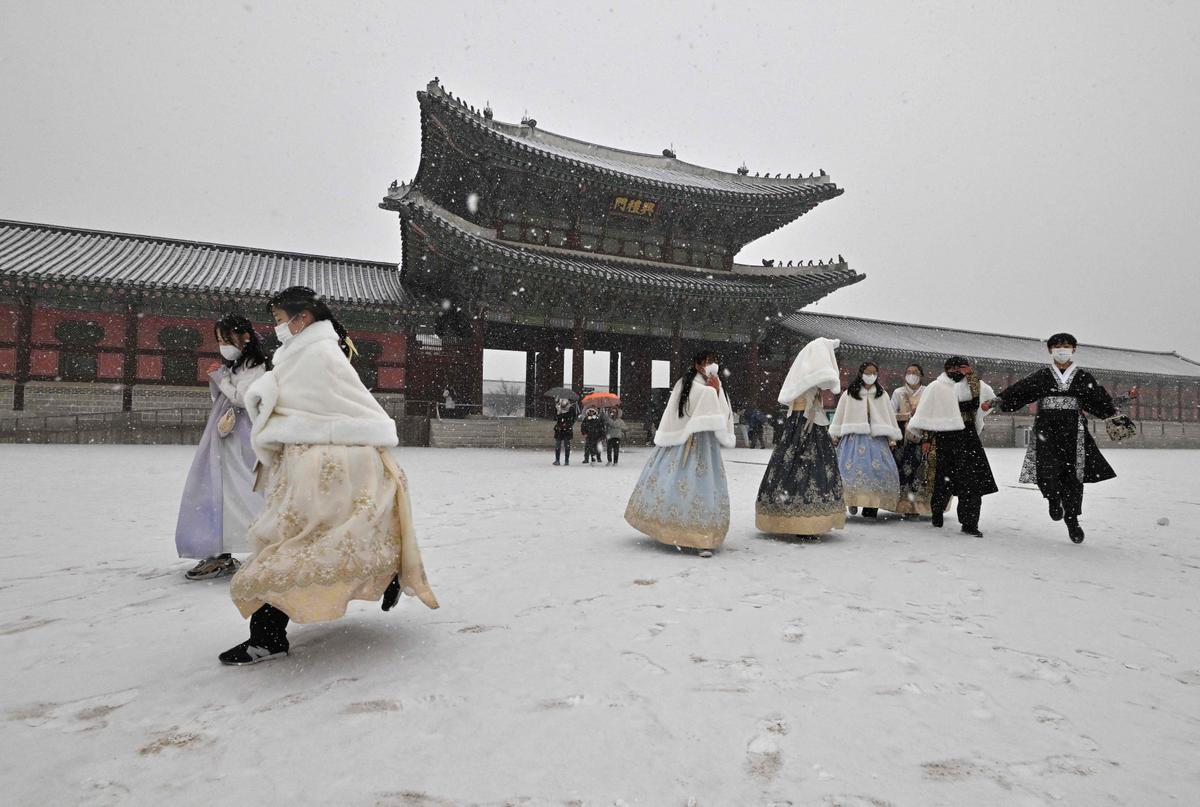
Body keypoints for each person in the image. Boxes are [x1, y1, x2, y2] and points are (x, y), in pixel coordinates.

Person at [221, 286, 438, 665]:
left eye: (279, 320)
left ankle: (268, 635)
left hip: (331, 465)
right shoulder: (302, 353)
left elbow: (315, 406)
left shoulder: (317, 354)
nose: (276, 328)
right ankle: (386, 577)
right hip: (318, 464)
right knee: (330, 540)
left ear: (301, 318)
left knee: (295, 545)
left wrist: (263, 397)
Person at [984, 333, 1122, 543]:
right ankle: (1052, 499)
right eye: (1057, 346)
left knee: (1073, 475)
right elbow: (1021, 390)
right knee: (1046, 469)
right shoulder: (1042, 376)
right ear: (1050, 350)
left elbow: (1098, 400)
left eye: (1066, 346)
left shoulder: (1083, 377)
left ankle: (1072, 519)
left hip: (1074, 431)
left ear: (1074, 349)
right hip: (1046, 429)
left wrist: (1115, 408)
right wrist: (1001, 399)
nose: (1062, 349)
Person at [175, 314, 270, 579]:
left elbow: (243, 399)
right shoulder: (236, 365)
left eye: (225, 339)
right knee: (220, 492)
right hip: (223, 437)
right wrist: (220, 378)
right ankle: (219, 550)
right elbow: (222, 397)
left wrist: (221, 378)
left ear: (245, 337)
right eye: (218, 339)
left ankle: (261, 544)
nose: (222, 344)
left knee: (240, 491)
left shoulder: (257, 367)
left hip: (240, 438)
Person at [625, 350, 735, 554]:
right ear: (697, 364)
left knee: (704, 484)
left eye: (715, 362)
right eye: (708, 362)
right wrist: (712, 392)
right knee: (677, 480)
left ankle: (703, 534)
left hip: (706, 443)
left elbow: (723, 411)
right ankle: (669, 527)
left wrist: (717, 391)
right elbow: (685, 408)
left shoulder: (713, 384)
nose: (712, 366)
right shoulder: (687, 383)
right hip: (684, 440)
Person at [755, 337, 846, 539]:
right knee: (811, 467)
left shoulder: (803, 374)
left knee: (790, 464)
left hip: (804, 419)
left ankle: (786, 516)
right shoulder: (811, 372)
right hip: (806, 420)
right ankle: (806, 520)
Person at [906, 356, 998, 537]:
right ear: (946, 369)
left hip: (968, 437)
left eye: (961, 368)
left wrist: (971, 377)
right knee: (943, 480)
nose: (957, 372)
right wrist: (926, 438)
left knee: (972, 482)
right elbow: (927, 415)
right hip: (945, 438)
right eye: (953, 369)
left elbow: (989, 402)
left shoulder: (976, 384)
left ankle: (969, 522)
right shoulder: (936, 387)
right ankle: (937, 510)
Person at [829, 362, 902, 518]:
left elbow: (888, 416)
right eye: (868, 372)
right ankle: (852, 500)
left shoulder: (881, 394)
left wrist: (892, 438)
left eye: (874, 372)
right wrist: (835, 434)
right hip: (853, 438)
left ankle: (871, 506)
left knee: (877, 471)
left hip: (876, 438)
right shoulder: (849, 393)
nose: (871, 376)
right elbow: (840, 414)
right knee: (851, 469)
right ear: (861, 373)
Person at [891, 363, 932, 519]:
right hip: (903, 437)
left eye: (914, 372)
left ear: (921, 375)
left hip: (923, 436)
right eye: (908, 372)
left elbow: (933, 412)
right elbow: (890, 413)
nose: (911, 375)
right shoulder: (898, 392)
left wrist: (920, 415)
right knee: (903, 470)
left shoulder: (928, 391)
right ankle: (905, 505)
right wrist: (907, 415)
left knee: (921, 471)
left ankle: (920, 506)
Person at [552, 397, 577, 466]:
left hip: (567, 429)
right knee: (557, 445)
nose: (563, 402)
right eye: (562, 400)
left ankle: (566, 461)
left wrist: (570, 423)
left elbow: (573, 417)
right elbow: (555, 418)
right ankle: (557, 460)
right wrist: (557, 411)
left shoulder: (571, 408)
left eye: (564, 400)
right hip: (559, 429)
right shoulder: (558, 408)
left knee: (567, 446)